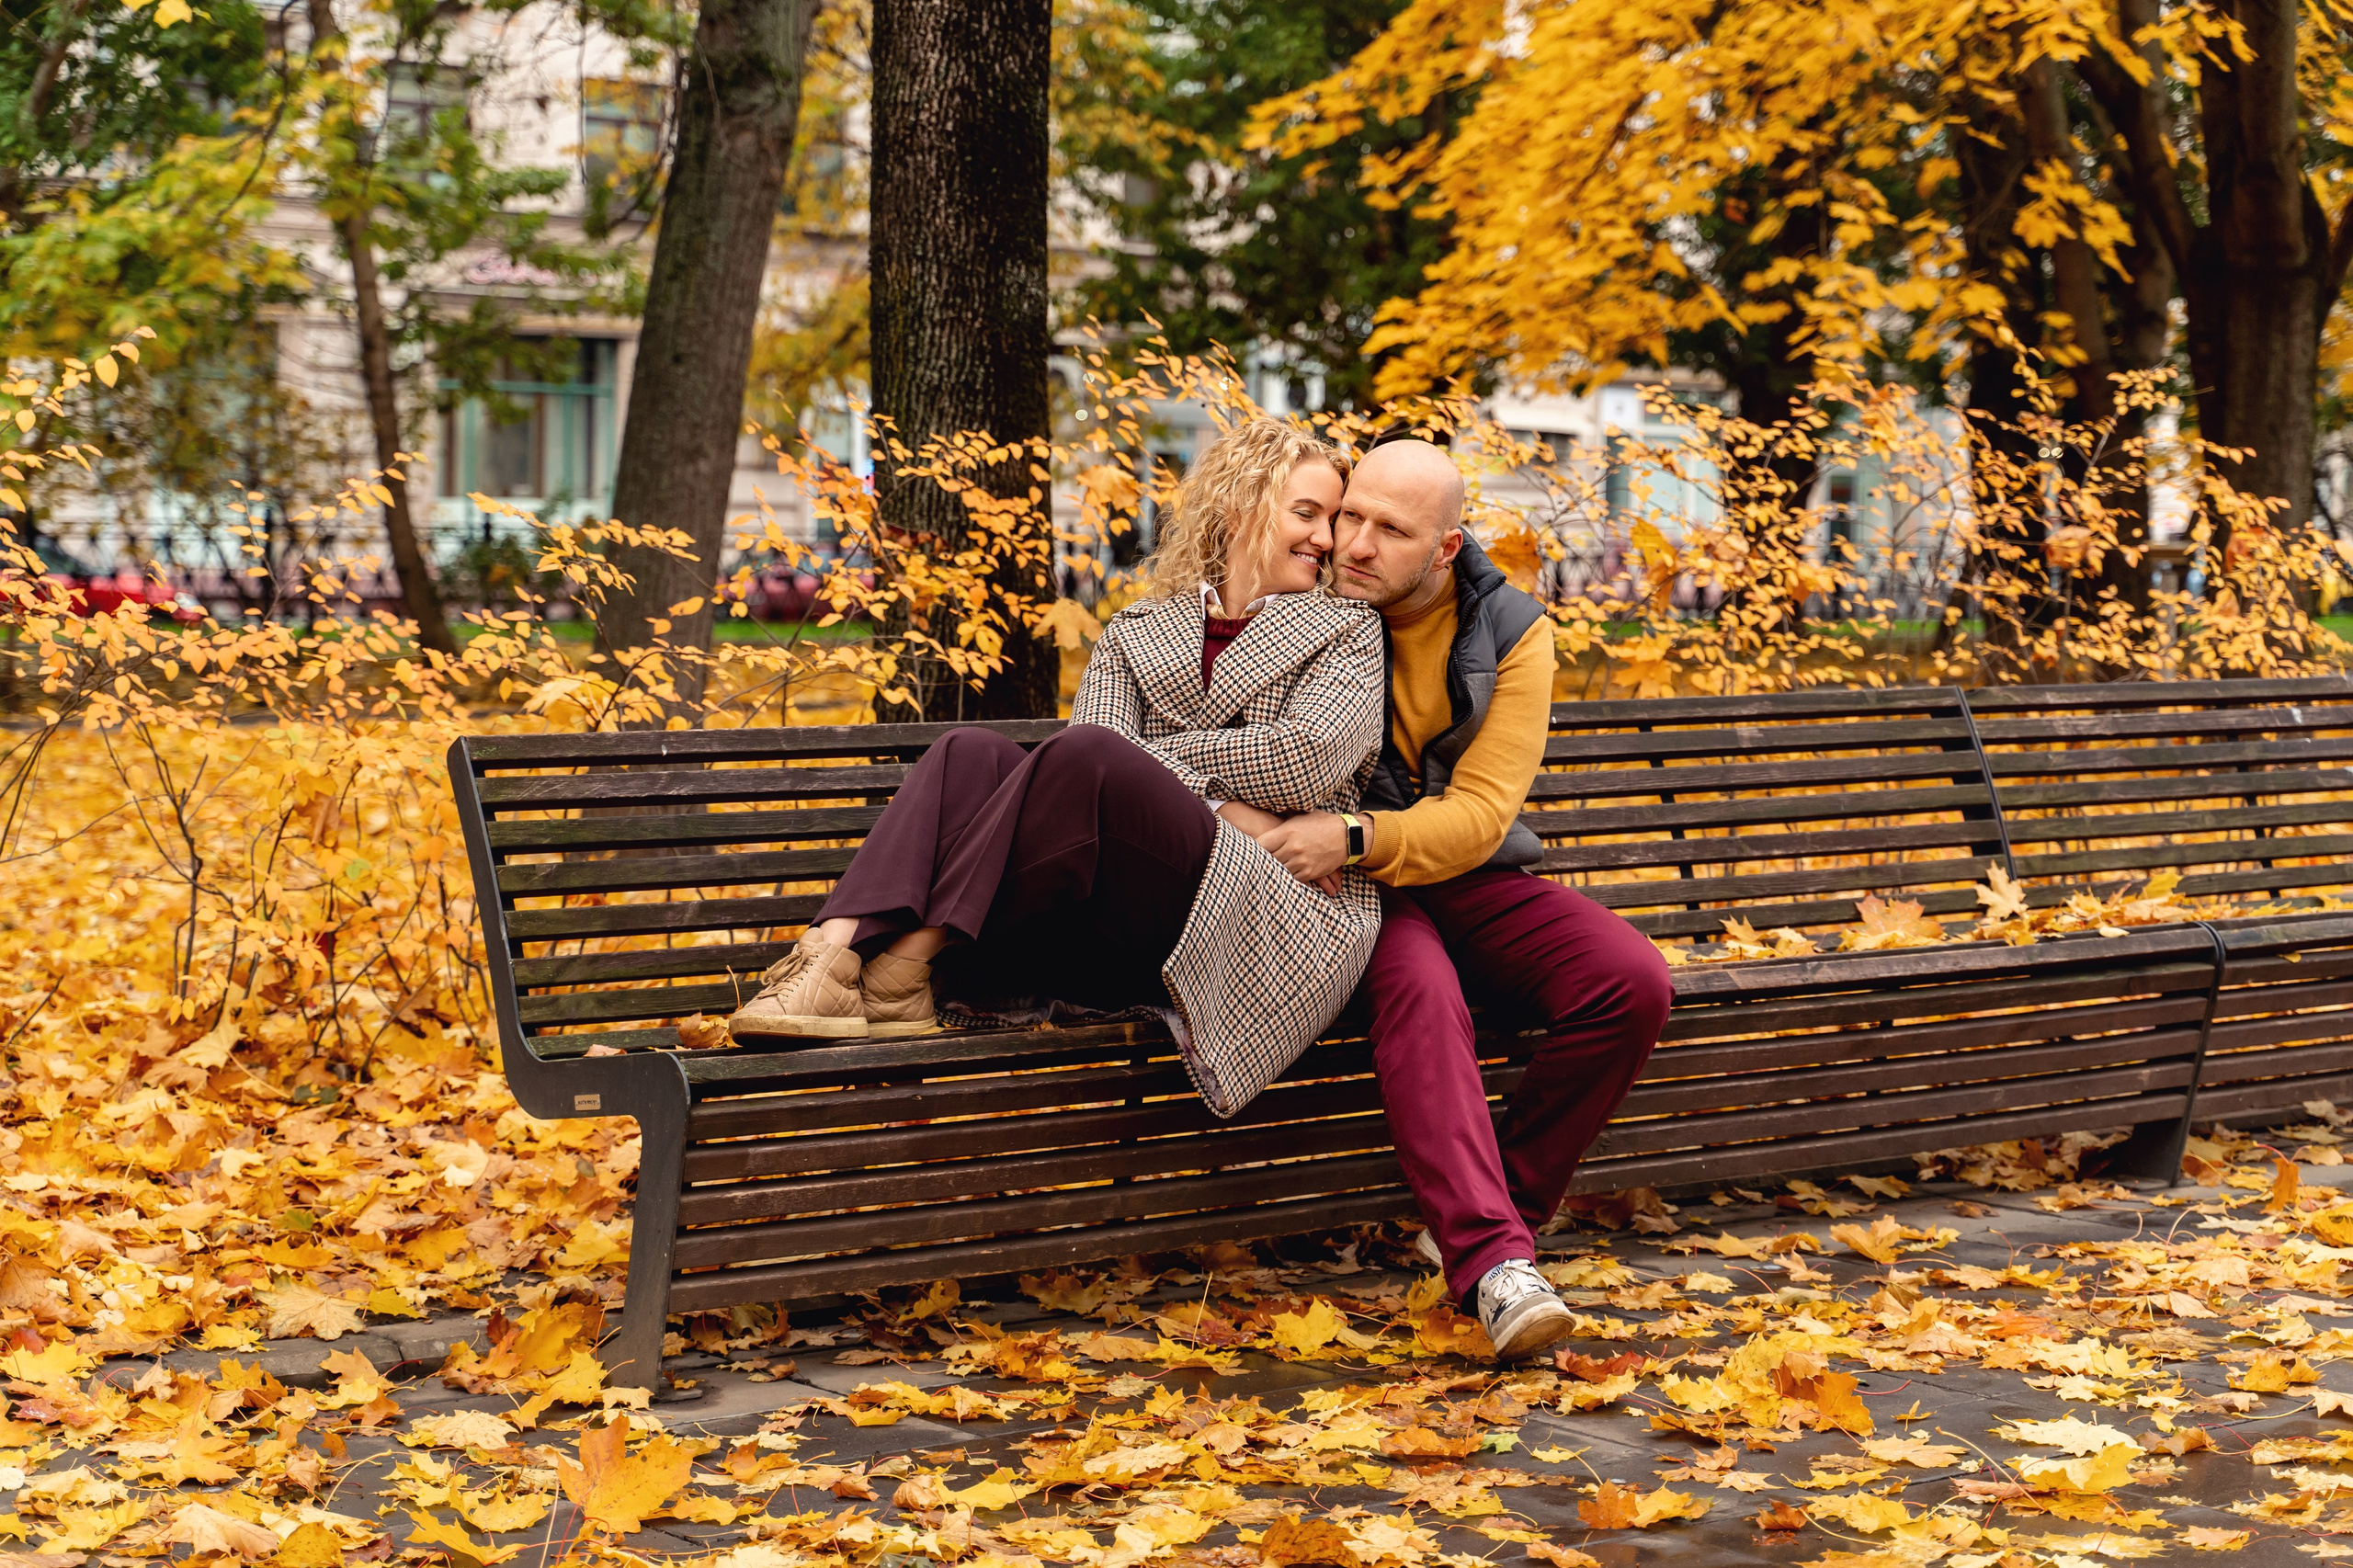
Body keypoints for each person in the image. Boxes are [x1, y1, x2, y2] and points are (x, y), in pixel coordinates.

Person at [725, 417, 1388, 1119]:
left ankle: (907, 956)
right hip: (1111, 914)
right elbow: (1094, 765)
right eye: (1306, 513)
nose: (1325, 538)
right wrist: (1224, 805)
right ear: (1239, 506)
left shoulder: (1347, 629)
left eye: (1331, 520)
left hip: (1263, 916)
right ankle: (835, 953)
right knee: (966, 751)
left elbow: (1302, 762)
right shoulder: (1139, 630)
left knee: (1089, 756)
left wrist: (1166, 784)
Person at [1248, 436, 1672, 1362]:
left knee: (1630, 979)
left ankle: (1490, 1227)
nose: (1352, 544)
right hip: (1337, 887)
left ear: (1444, 548)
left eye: (1388, 530)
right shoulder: (1294, 601)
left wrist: (1358, 834)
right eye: (1348, 514)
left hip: (1443, 865)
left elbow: (1480, 816)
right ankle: (1498, 1266)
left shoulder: (1510, 628)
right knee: (1424, 989)